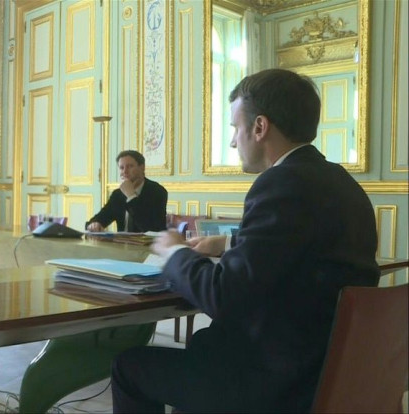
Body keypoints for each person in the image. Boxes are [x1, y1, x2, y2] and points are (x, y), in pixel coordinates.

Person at [110, 69, 380, 413]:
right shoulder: (342, 183)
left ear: (260, 127)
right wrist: (226, 243)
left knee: (128, 368)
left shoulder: (281, 184)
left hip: (272, 382)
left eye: (236, 128)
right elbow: (297, 247)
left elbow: (222, 296)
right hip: (325, 370)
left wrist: (175, 251)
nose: (234, 141)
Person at [86, 150, 167, 233]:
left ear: (142, 167)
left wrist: (131, 196)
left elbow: (149, 228)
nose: (125, 171)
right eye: (121, 168)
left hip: (148, 244)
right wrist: (94, 224)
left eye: (130, 166)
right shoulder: (118, 194)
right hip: (121, 244)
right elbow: (102, 217)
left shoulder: (157, 191)